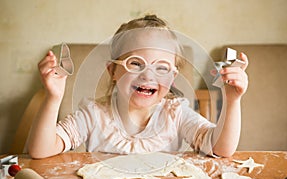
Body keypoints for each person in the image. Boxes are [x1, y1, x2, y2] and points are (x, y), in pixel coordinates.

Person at [28, 15, 248, 159]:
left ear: (172, 78)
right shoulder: (93, 114)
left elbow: (221, 149)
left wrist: (232, 101)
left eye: (161, 68)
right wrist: (53, 98)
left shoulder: (176, 114)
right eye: (135, 64)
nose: (148, 75)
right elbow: (41, 150)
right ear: (112, 71)